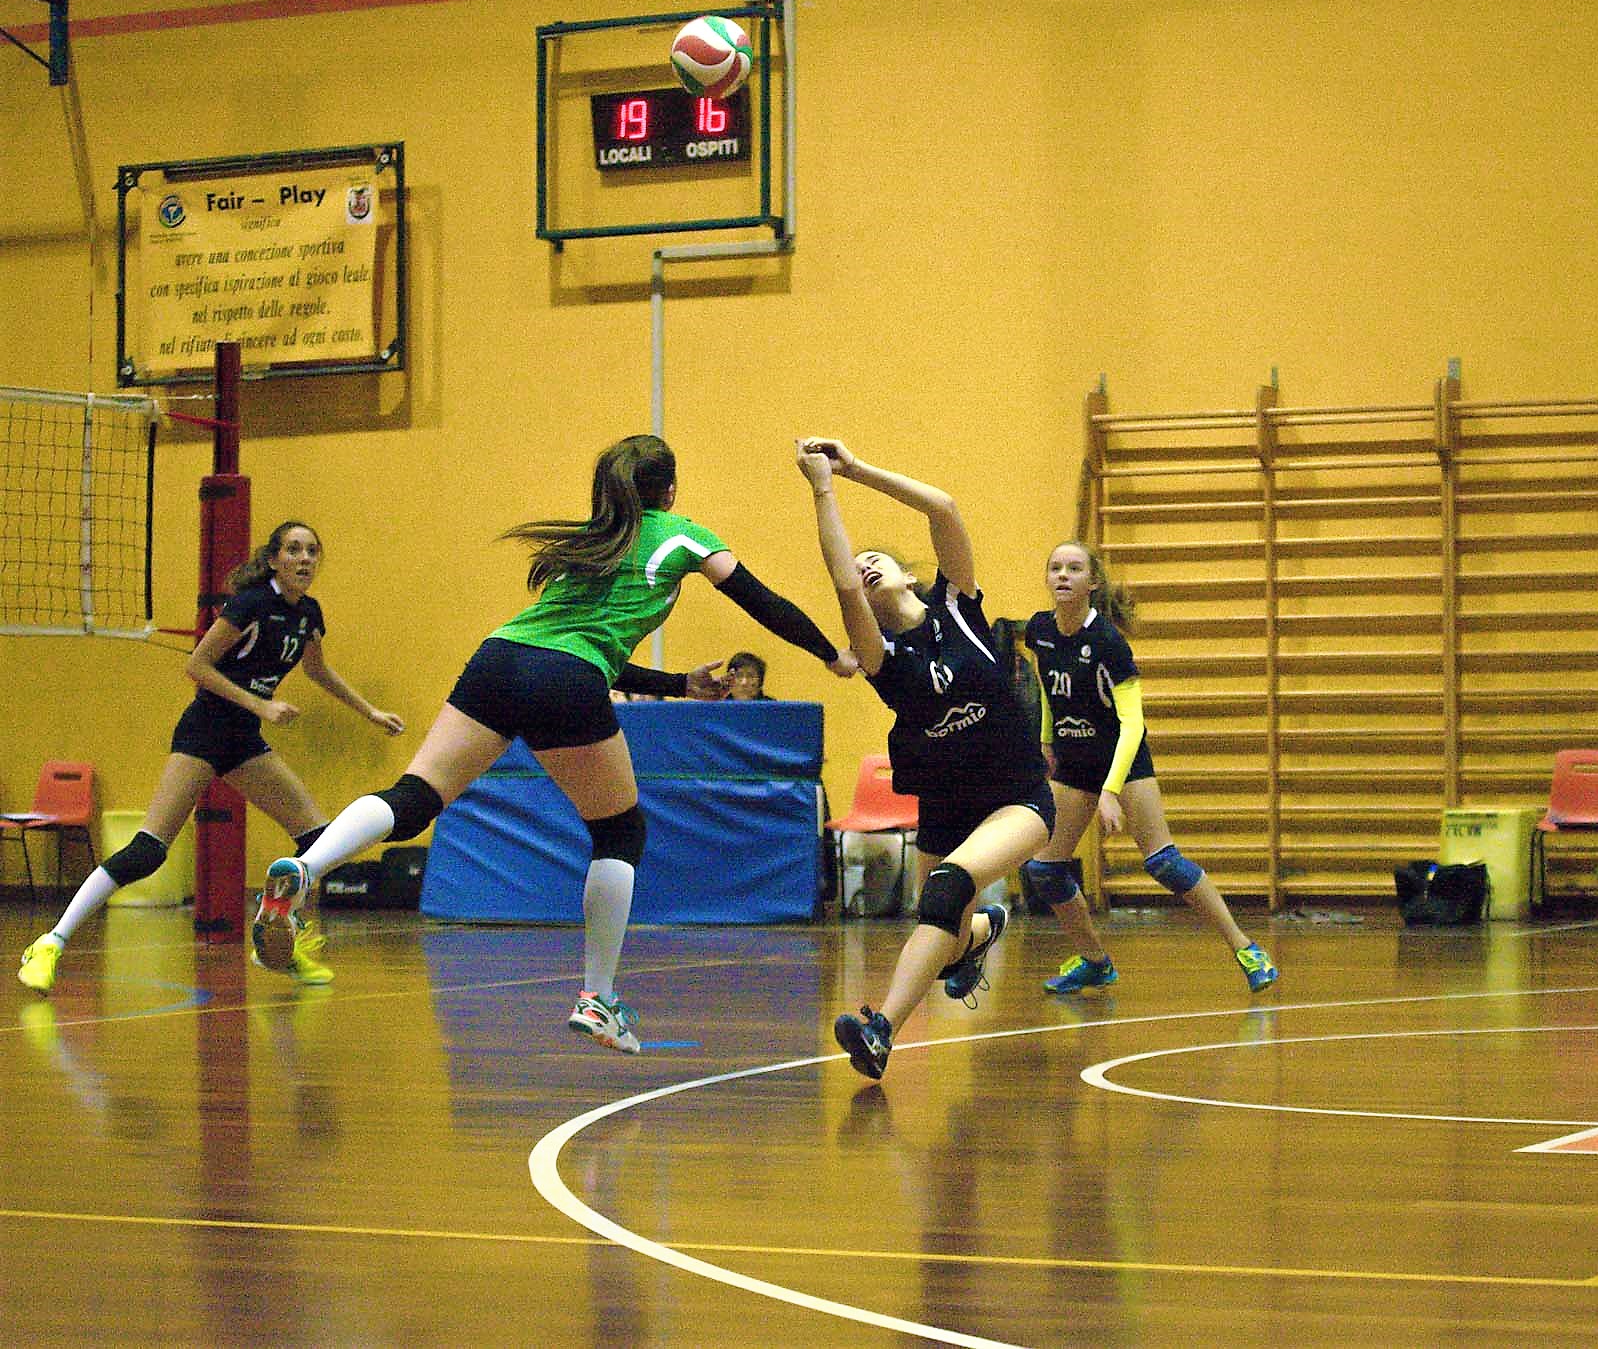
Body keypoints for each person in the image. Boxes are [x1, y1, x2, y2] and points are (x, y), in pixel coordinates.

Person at [258, 435, 856, 1052]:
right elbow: (761, 602)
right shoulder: (684, 536)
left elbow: (577, 641)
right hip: (563, 677)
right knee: (620, 833)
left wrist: (677, 684)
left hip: (498, 658)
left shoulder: (593, 543)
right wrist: (830, 653)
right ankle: (598, 999)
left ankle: (305, 869)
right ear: (670, 491)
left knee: (415, 797)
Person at [16, 520, 405, 994]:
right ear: (274, 559)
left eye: (312, 551)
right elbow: (197, 665)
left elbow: (318, 670)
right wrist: (260, 705)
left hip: (243, 740)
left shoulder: (308, 612)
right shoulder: (251, 604)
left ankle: (276, 942)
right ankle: (50, 943)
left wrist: (369, 712)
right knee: (148, 851)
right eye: (294, 550)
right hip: (205, 731)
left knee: (319, 841)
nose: (304, 559)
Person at [796, 436, 1054, 1081]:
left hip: (1016, 799)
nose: (865, 566)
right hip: (944, 806)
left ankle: (880, 1030)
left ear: (910, 575)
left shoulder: (958, 608)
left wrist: (854, 469)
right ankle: (980, 934)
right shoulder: (880, 658)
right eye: (860, 564)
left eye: (877, 558)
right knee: (943, 929)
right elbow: (842, 582)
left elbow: (942, 508)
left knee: (948, 887)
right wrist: (822, 490)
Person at [1019, 540, 1276, 992]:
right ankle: (1094, 961)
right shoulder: (1040, 630)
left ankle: (1246, 947)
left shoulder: (1108, 643)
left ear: (1092, 583)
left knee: (1164, 863)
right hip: (1073, 759)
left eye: (1074, 569)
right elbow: (1047, 688)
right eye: (1055, 568)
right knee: (1045, 870)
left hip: (1122, 757)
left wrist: (1110, 790)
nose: (1062, 576)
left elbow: (1132, 723)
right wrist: (1045, 738)